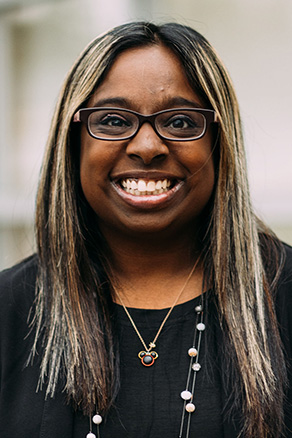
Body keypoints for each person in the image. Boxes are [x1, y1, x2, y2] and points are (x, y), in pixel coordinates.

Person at [0, 21, 291, 438]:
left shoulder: (283, 297)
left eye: (181, 122)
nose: (147, 146)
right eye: (115, 120)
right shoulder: (9, 310)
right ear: (73, 141)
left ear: (219, 142)